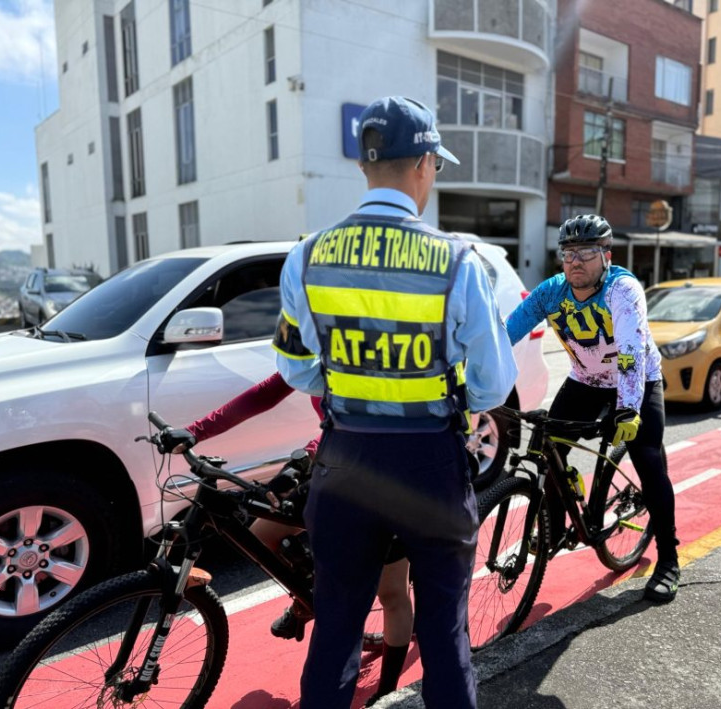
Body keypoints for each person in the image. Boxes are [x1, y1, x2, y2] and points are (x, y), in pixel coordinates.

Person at [274, 95, 517, 708]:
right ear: (425, 164)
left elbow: (296, 370)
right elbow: (492, 387)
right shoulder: (460, 260)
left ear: (365, 166)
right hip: (430, 465)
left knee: (336, 628)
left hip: (344, 460)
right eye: (436, 166)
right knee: (443, 628)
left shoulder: (306, 256)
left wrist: (355, 384)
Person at [159, 372, 414, 704]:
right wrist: (195, 431)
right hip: (336, 464)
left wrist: (304, 460)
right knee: (264, 533)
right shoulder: (313, 342)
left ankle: (387, 693)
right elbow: (267, 392)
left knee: (391, 592)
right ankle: (308, 600)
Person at [505, 214, 680, 603]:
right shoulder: (552, 292)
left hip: (638, 380)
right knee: (547, 449)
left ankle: (668, 557)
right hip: (586, 381)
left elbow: (632, 352)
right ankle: (556, 524)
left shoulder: (622, 289)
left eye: (586, 252)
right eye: (568, 253)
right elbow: (506, 333)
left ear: (606, 255)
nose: (576, 261)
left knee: (649, 461)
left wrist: (628, 408)